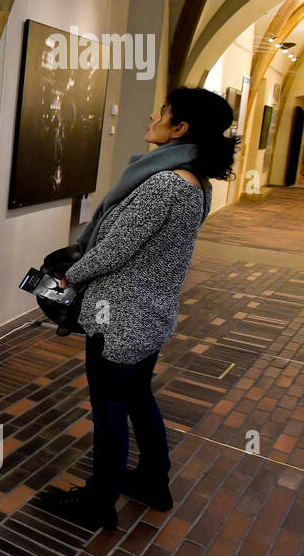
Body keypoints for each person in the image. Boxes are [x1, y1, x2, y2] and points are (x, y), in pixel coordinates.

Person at [39, 88, 236, 532]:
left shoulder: (164, 184)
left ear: (179, 128)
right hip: (150, 314)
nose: (153, 115)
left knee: (109, 406)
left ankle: (99, 500)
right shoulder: (196, 183)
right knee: (137, 397)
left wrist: (71, 276)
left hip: (120, 315)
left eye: (163, 112)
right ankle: (152, 480)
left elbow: (115, 249)